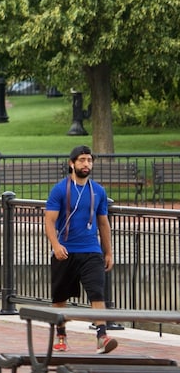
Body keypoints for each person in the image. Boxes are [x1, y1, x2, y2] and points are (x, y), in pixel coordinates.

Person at [43, 145, 118, 354]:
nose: (86, 164)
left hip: (91, 250)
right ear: (72, 163)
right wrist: (56, 246)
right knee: (59, 298)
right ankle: (61, 335)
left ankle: (102, 336)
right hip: (65, 251)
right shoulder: (59, 190)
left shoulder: (98, 191)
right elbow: (49, 222)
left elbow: (103, 223)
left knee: (97, 292)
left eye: (89, 160)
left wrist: (108, 252)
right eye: (82, 160)